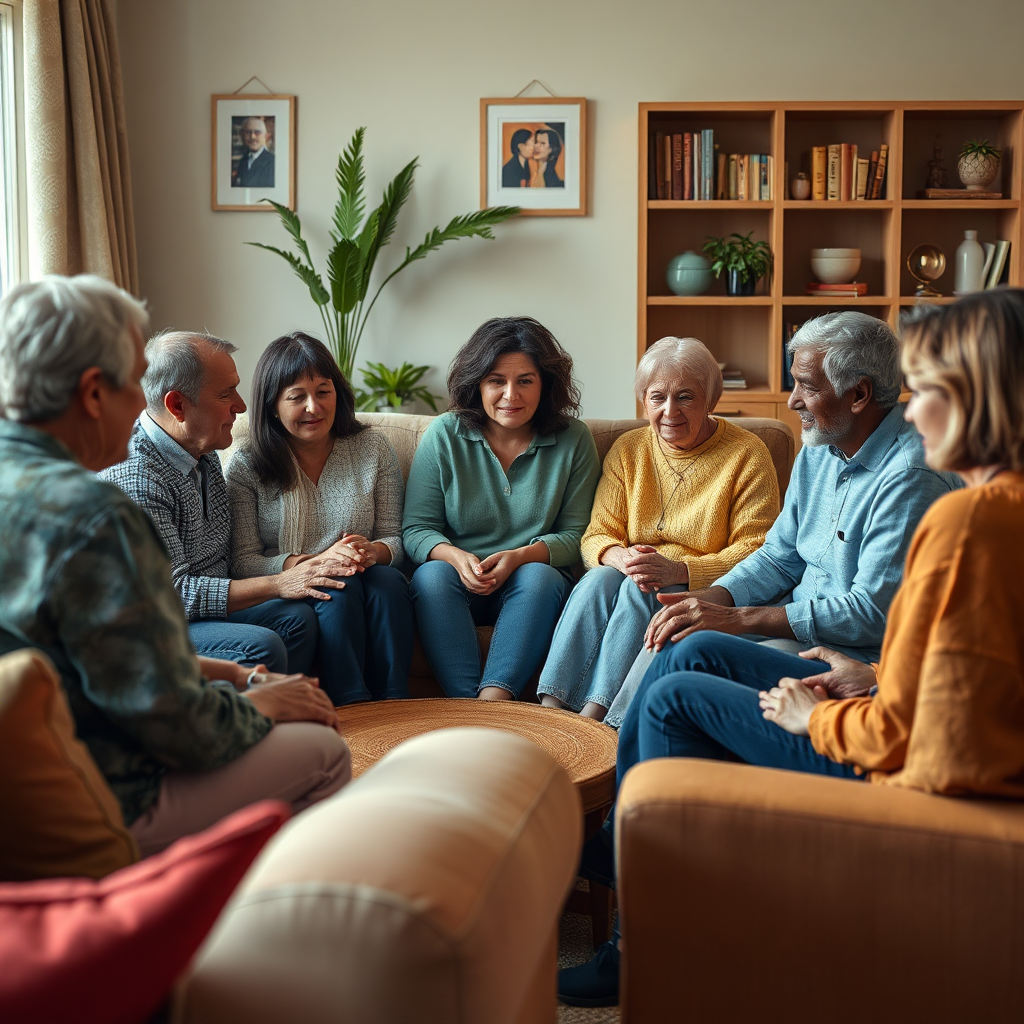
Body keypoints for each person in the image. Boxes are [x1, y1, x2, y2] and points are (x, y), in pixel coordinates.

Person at [559, 298, 1018, 1008]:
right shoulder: (828, 451)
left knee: (676, 692)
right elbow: (782, 555)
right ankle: (630, 848)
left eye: (925, 389)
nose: (912, 409)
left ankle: (632, 914)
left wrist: (823, 710)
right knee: (691, 648)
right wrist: (716, 606)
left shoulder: (941, 500)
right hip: (862, 677)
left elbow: (908, 695)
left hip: (881, 736)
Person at [0, 276, 350, 857]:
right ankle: (247, 926)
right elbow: (174, 727)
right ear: (93, 393)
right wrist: (259, 706)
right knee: (324, 751)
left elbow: (107, 662)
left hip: (36, 766)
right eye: (133, 382)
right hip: (96, 794)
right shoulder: (97, 513)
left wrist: (242, 678)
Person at [601, 310, 962, 730]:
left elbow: (872, 613)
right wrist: (717, 597)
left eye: (807, 386)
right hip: (799, 628)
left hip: (858, 657)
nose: (792, 400)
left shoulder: (910, 477)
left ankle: (615, 750)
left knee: (689, 655)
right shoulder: (821, 445)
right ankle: (612, 739)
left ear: (859, 394)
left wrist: (739, 618)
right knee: (681, 628)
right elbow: (778, 555)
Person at [536, 337, 779, 720]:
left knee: (642, 589)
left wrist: (680, 570)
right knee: (597, 580)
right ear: (643, 399)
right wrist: (621, 557)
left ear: (710, 399)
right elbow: (596, 535)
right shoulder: (629, 449)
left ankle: (598, 716)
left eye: (685, 397)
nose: (669, 411)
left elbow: (758, 549)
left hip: (698, 583)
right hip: (637, 573)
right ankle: (551, 709)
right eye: (657, 397)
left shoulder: (747, 453)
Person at [103, 331, 343, 676]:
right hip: (151, 625)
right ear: (177, 406)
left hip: (204, 612)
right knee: (261, 645)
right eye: (226, 394)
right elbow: (174, 594)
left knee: (298, 617)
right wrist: (279, 583)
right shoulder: (135, 480)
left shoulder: (202, 449)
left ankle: (287, 713)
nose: (242, 405)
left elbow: (228, 558)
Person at [403, 316, 600, 700]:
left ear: (545, 385)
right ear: (477, 383)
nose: (511, 395)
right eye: (497, 381)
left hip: (532, 584)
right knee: (430, 575)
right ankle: (468, 705)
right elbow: (417, 529)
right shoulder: (444, 434)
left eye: (525, 380)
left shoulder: (574, 439)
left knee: (540, 577)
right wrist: (455, 557)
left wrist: (519, 557)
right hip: (456, 580)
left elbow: (578, 536)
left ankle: (496, 701)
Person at [226, 332, 413, 707]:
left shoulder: (372, 448)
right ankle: (351, 705)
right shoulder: (247, 465)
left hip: (365, 576)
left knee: (388, 581)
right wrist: (311, 564)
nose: (314, 407)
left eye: (323, 391)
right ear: (272, 404)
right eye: (297, 397)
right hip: (289, 589)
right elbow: (242, 561)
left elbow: (396, 538)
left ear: (338, 394)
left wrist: (370, 551)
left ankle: (396, 704)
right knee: (333, 585)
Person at [233, 117, 275, 187]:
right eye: (248, 132)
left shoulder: (272, 161)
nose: (252, 136)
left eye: (257, 132)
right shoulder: (243, 160)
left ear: (265, 136)